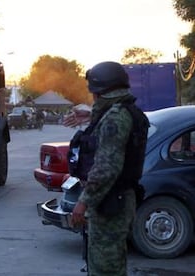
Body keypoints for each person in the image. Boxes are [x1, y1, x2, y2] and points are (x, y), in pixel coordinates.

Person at [64, 61, 149, 276]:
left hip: (110, 204)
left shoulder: (115, 118)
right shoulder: (126, 111)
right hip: (118, 201)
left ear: (101, 91)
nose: (93, 97)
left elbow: (106, 168)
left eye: (94, 93)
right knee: (110, 262)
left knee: (105, 267)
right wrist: (92, 116)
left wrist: (83, 203)